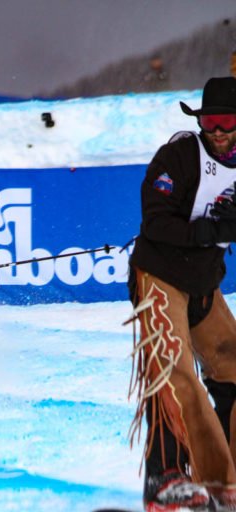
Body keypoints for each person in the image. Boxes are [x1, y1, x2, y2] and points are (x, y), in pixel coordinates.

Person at [127, 76, 236, 511]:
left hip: (203, 284)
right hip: (159, 275)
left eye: (226, 121)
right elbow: (155, 221)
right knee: (172, 365)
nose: (217, 130)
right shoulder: (179, 155)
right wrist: (208, 229)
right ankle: (164, 477)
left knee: (231, 365)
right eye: (210, 120)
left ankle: (223, 478)